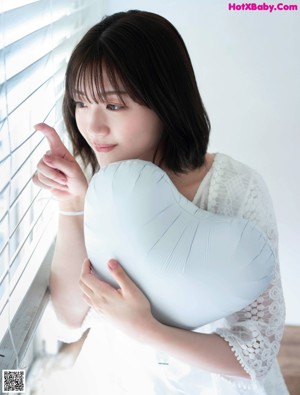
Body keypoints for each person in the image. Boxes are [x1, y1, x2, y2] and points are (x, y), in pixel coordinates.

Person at [33, 10, 288, 395]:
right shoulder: (102, 188)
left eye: (115, 106)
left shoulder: (234, 188)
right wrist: (73, 204)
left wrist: (148, 329)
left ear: (165, 102)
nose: (93, 126)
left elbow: (256, 355)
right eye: (81, 103)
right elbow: (71, 317)